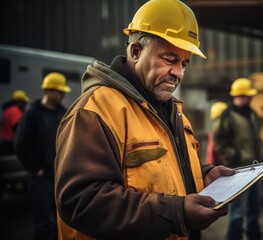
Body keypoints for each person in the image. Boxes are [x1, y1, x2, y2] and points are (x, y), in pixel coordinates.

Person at [54, 1, 235, 240]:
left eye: (184, 63)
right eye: (170, 59)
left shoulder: (170, 110)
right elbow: (81, 201)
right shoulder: (95, 110)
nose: (179, 73)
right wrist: (175, 213)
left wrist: (203, 176)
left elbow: (161, 169)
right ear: (136, 52)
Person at [15, 72, 71, 240]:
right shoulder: (32, 114)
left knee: (61, 221)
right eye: (59, 91)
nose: (62, 95)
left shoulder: (63, 113)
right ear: (48, 90)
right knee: (43, 224)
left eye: (62, 92)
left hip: (59, 177)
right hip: (41, 178)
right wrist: (35, 169)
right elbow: (21, 144)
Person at [213, 78, 263, 240]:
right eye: (246, 95)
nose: (249, 98)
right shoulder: (228, 116)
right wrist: (233, 156)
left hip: (256, 169)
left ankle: (254, 236)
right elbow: (220, 141)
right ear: (239, 95)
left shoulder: (252, 114)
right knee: (237, 213)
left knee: (254, 211)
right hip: (239, 171)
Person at [0, 90, 29, 154]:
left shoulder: (8, 110)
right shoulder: (15, 111)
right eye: (23, 102)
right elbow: (18, 128)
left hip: (5, 142)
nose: (25, 104)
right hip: (10, 143)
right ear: (18, 101)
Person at [206, 101, 228, 165]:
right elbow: (211, 150)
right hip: (223, 165)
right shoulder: (220, 127)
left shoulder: (215, 127)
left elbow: (210, 151)